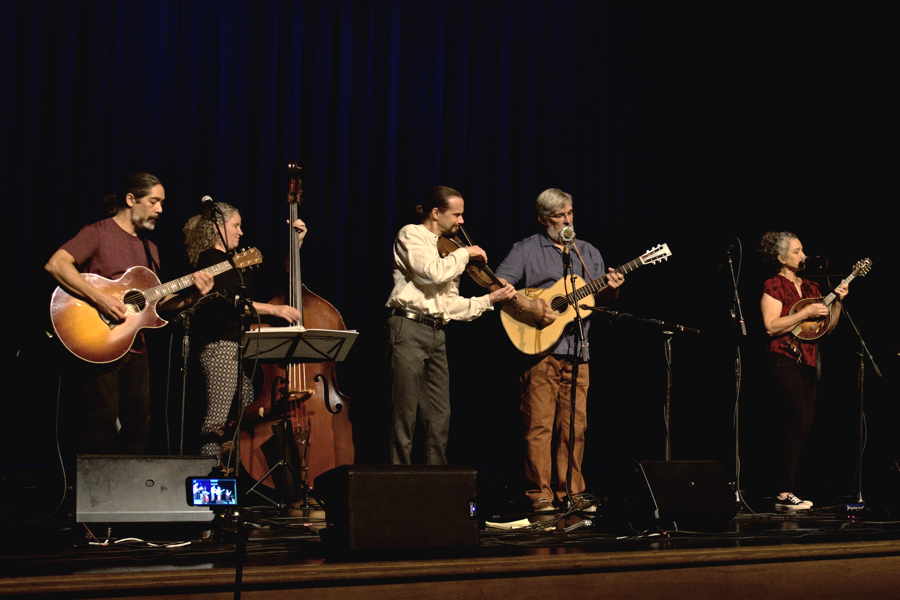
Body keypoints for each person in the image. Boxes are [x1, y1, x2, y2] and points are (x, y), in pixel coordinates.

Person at [45, 172, 214, 454]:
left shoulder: (151, 249)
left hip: (135, 348)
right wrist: (100, 300)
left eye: (162, 202)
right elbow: (57, 264)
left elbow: (157, 304)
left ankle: (125, 493)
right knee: (100, 420)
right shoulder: (98, 232)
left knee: (140, 424)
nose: (160, 209)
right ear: (130, 199)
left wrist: (192, 295)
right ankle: (92, 494)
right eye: (154, 201)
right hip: (97, 340)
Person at [494, 188, 624, 513]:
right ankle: (539, 493)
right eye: (558, 216)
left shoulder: (587, 253)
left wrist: (612, 291)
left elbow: (598, 300)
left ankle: (572, 492)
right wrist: (532, 307)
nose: (566, 220)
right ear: (543, 219)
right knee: (539, 425)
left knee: (575, 426)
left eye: (569, 213)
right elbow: (497, 285)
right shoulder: (526, 249)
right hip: (539, 349)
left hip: (580, 351)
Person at [385, 185, 517, 465]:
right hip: (407, 328)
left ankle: (435, 485)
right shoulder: (412, 234)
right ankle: (397, 481)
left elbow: (449, 304)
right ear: (436, 213)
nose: (461, 221)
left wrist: (490, 299)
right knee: (404, 412)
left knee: (438, 413)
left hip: (436, 331)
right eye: (456, 214)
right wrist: (465, 254)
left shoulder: (450, 250)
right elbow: (431, 273)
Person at [183, 203, 306, 459]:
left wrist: (297, 242)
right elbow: (229, 300)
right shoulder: (209, 260)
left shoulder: (236, 261)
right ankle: (208, 478)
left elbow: (276, 271)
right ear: (217, 228)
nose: (241, 232)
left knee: (248, 401)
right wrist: (275, 310)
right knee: (215, 422)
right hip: (219, 346)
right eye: (235, 225)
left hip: (235, 347)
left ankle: (229, 462)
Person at [758, 231, 849, 511]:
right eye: (796, 251)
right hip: (782, 357)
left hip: (809, 360)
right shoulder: (773, 285)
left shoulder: (811, 287)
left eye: (802, 250)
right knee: (796, 419)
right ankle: (783, 493)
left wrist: (839, 301)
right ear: (780, 257)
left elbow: (825, 327)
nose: (803, 255)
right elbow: (771, 326)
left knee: (805, 424)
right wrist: (804, 314)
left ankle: (787, 489)